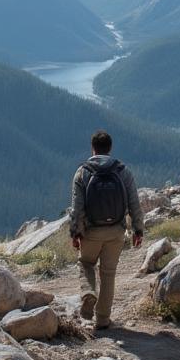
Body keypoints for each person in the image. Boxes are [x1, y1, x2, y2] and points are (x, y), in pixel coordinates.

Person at [69, 130, 143, 329]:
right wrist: (138, 229)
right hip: (116, 232)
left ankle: (88, 293)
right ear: (109, 149)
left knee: (85, 263)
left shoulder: (83, 172)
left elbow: (77, 208)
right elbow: (134, 203)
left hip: (91, 233)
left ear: (93, 148)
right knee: (108, 274)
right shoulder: (123, 171)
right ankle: (103, 319)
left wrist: (75, 233)